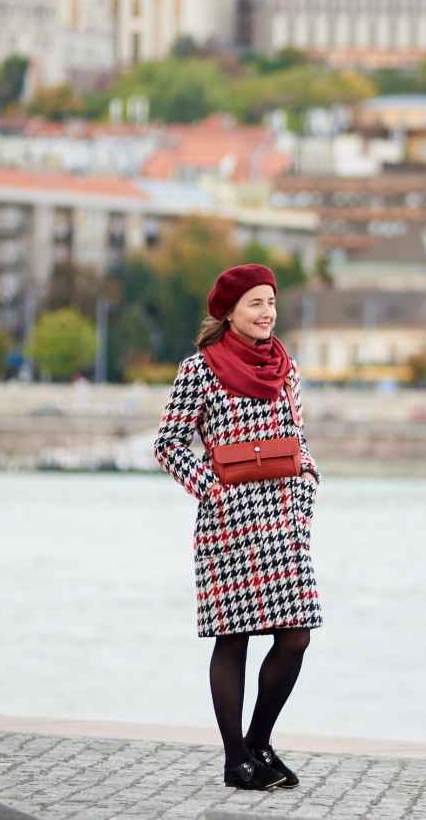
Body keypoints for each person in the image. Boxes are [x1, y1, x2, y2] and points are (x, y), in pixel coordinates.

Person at [153, 263, 323, 792]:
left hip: (283, 516)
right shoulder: (199, 369)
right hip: (229, 520)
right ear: (228, 312)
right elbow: (169, 444)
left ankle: (259, 742)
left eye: (270, 302)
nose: (266, 312)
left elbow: (297, 434)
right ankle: (235, 760)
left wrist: (308, 482)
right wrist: (212, 489)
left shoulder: (285, 367)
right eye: (255, 303)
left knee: (296, 635)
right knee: (234, 639)